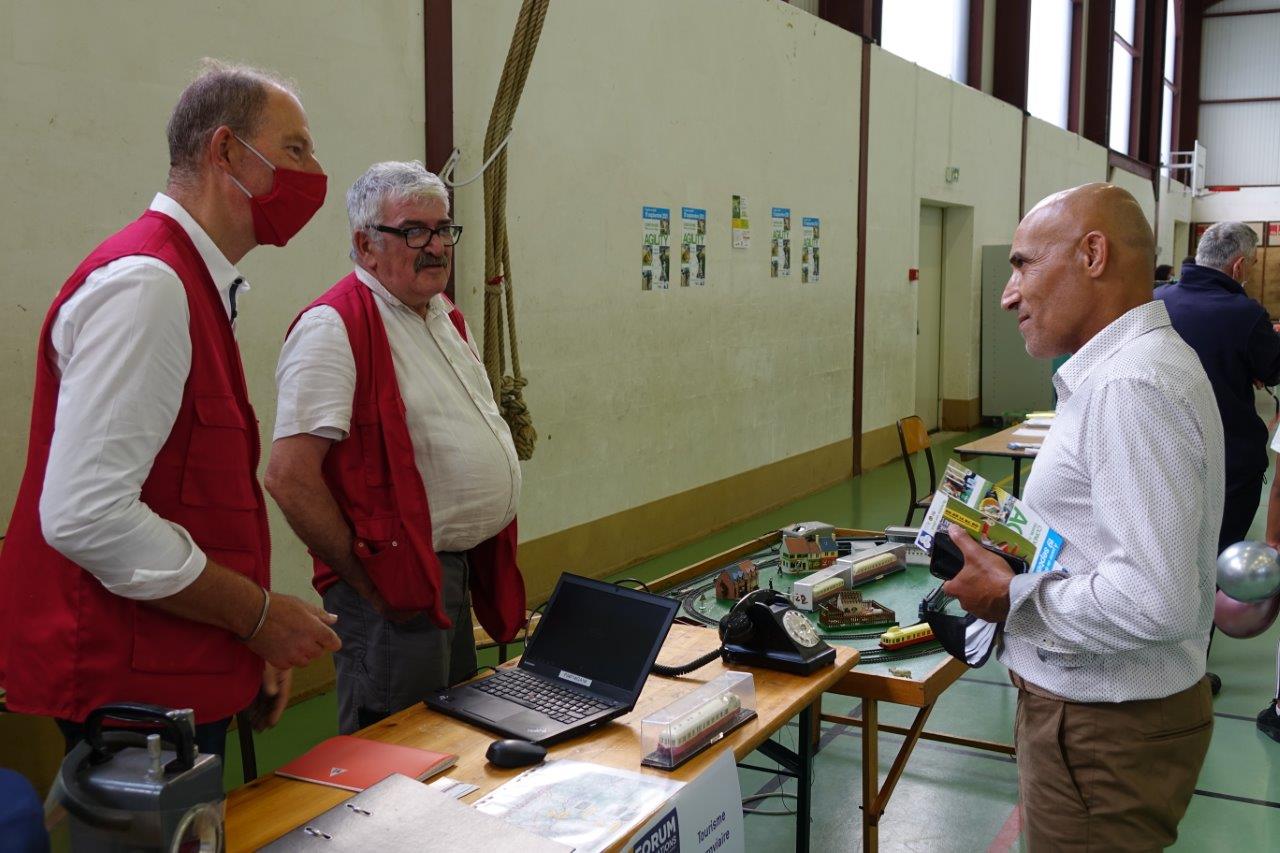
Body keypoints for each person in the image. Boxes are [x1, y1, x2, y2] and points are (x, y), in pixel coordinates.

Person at [0, 60, 341, 758]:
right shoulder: (150, 286)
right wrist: (256, 615)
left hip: (176, 673)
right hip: (133, 702)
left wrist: (249, 635)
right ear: (224, 152)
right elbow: (86, 514)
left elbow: (187, 496)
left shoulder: (192, 283)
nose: (314, 174)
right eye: (295, 150)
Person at [942, 183, 1221, 849]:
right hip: (1104, 721)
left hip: (1101, 730)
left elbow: (1154, 600)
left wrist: (1008, 596)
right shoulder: (1125, 373)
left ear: (1093, 254)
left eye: (1024, 264)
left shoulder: (1129, 387)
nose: (1010, 295)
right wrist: (1014, 540)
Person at [265, 161, 526, 734]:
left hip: (449, 574)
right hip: (389, 589)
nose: (435, 246)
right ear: (366, 244)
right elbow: (288, 476)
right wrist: (366, 582)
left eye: (443, 230)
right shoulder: (333, 328)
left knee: (453, 737)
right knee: (396, 754)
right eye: (414, 231)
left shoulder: (442, 316)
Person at [1158, 222, 1280, 555]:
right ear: (1239, 265)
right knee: (1215, 558)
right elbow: (1272, 370)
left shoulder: (1156, 301)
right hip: (1227, 464)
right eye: (1252, 265)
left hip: (1161, 456)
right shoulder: (1246, 315)